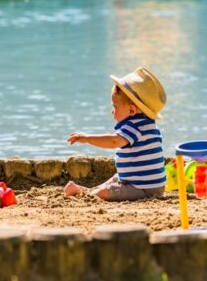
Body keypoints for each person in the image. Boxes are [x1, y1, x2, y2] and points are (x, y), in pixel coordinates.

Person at [64, 68, 167, 201]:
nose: (112, 112)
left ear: (131, 110)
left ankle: (85, 193)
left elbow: (114, 141)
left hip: (143, 189)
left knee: (106, 191)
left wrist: (87, 138)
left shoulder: (134, 126)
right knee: (115, 178)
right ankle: (88, 191)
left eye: (115, 107)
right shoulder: (146, 123)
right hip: (147, 184)